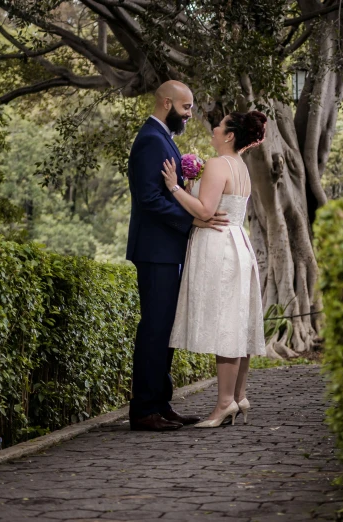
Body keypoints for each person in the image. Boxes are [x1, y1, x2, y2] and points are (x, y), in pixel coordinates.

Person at [126, 80, 229, 431]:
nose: (189, 114)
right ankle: (143, 410)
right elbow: (149, 199)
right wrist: (194, 220)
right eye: (186, 108)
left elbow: (167, 194)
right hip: (155, 250)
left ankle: (160, 403)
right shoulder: (151, 141)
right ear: (167, 102)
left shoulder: (164, 139)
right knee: (154, 328)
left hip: (167, 249)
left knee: (165, 329)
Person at [163, 110, 268, 428]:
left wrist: (175, 187)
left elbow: (206, 211)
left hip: (218, 247)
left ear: (230, 135)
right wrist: (194, 187)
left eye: (218, 127)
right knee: (238, 321)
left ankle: (223, 404)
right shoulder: (240, 166)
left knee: (225, 323)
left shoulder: (218, 164)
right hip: (239, 242)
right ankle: (238, 395)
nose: (213, 130)